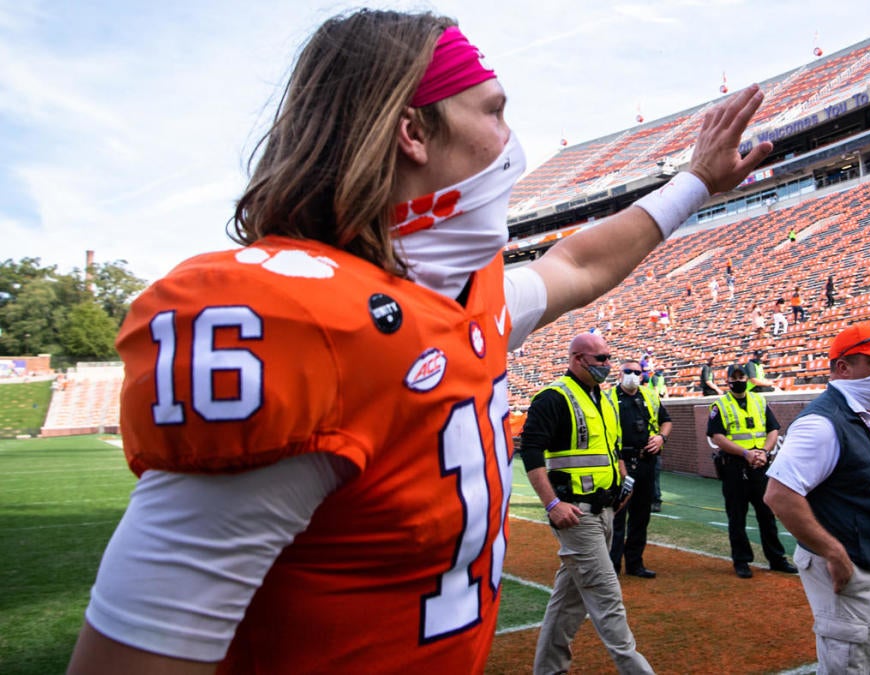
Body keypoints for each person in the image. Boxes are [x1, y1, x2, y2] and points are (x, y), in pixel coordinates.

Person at [66, 12, 772, 674]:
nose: (508, 137)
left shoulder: (460, 297)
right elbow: (138, 651)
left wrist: (696, 182)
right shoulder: (304, 322)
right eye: (493, 110)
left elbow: (579, 265)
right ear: (413, 131)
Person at [764, 323, 870, 674]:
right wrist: (833, 551)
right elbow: (779, 494)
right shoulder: (821, 423)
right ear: (844, 367)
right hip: (853, 564)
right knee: (849, 665)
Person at [520, 334, 653, 673]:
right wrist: (552, 504)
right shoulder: (553, 397)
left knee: (568, 603)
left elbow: (614, 447)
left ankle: (548, 670)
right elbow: (531, 451)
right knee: (609, 601)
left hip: (606, 510)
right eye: (601, 360)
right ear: (578, 359)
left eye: (609, 358)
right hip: (576, 515)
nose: (608, 366)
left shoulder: (605, 399)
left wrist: (623, 480)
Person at [707, 365, 796, 579]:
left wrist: (764, 452)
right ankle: (742, 560)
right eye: (734, 377)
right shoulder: (720, 405)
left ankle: (776, 558)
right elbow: (717, 437)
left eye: (742, 376)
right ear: (728, 381)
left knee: (767, 515)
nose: (739, 380)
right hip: (734, 467)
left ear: (747, 378)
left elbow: (773, 429)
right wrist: (745, 453)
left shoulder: (759, 401)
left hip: (759, 465)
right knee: (736, 516)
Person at [610, 360, 672, 579]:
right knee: (617, 516)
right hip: (621, 462)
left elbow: (666, 421)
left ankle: (635, 563)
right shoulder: (608, 398)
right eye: (628, 371)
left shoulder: (649, 395)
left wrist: (661, 437)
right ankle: (613, 566)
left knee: (641, 515)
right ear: (619, 374)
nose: (633, 375)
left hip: (646, 461)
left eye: (637, 372)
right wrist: (620, 465)